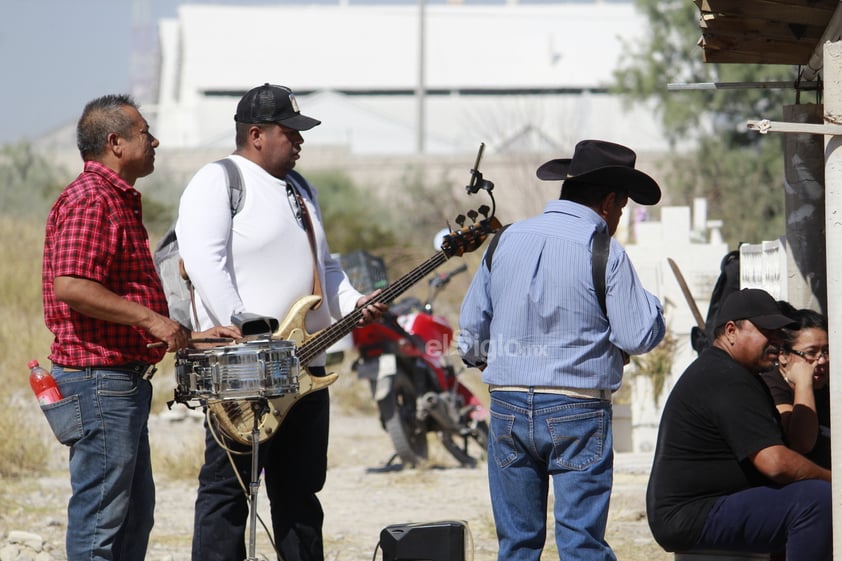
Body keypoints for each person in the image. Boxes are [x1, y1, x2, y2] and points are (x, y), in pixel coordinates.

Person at [175, 83, 386, 561]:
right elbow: (205, 262)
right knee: (227, 494)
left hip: (305, 365)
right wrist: (243, 326)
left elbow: (325, 266)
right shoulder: (219, 180)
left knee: (300, 495)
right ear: (256, 134)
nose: (300, 141)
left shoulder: (300, 189)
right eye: (290, 132)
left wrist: (354, 302)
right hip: (242, 370)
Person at [41, 94, 239, 561]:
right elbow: (71, 285)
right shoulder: (92, 199)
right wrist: (151, 319)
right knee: (101, 523)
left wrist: (190, 335)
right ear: (115, 143)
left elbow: (117, 298)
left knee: (132, 515)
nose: (155, 141)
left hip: (117, 384)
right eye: (145, 132)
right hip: (99, 384)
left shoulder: (116, 199)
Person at [457, 139, 666, 561]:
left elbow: (471, 338)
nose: (619, 219)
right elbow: (638, 335)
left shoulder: (506, 240)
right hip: (577, 410)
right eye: (622, 209)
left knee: (516, 544)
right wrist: (654, 307)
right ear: (609, 202)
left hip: (508, 405)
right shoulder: (604, 249)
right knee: (581, 545)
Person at [646, 288, 832, 561]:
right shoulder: (725, 378)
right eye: (767, 331)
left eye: (779, 333)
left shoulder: (738, 374)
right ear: (731, 331)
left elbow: (798, 444)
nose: (776, 341)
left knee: (801, 496)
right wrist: (834, 481)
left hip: (707, 506)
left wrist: (802, 384)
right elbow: (776, 463)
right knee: (816, 501)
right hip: (692, 513)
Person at [760, 302, 830, 468]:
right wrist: (803, 382)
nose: (822, 361)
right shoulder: (772, 387)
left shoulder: (827, 387)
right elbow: (802, 443)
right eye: (811, 353)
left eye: (826, 351)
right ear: (783, 355)